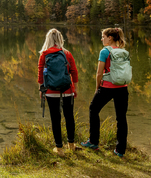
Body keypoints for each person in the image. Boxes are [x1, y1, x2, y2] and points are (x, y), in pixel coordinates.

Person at [81, 27, 129, 158]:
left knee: (93, 109)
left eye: (103, 36)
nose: (102, 39)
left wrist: (97, 87)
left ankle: (93, 142)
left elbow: (99, 73)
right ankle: (120, 151)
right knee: (121, 118)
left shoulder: (104, 51)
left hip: (107, 87)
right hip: (122, 88)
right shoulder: (123, 51)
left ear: (110, 37)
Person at [38, 28, 79, 156]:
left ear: (48, 39)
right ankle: (71, 145)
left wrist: (41, 90)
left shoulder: (44, 54)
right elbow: (74, 72)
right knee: (69, 117)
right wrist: (75, 88)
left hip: (50, 91)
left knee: (55, 118)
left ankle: (59, 148)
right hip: (67, 90)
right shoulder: (67, 53)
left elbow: (40, 75)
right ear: (60, 39)